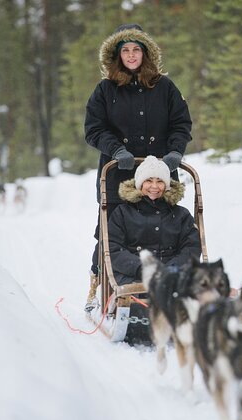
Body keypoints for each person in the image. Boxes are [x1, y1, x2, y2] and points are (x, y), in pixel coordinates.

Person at [84, 24, 192, 303]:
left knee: (166, 228)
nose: (131, 55)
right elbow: (93, 129)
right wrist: (116, 150)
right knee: (112, 231)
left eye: (136, 49)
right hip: (118, 173)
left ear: (146, 53)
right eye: (125, 50)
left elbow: (181, 124)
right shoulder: (105, 90)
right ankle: (103, 284)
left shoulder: (165, 87)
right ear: (117, 55)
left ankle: (169, 282)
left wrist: (175, 153)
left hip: (160, 173)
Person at [107, 155, 201, 288]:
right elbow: (113, 249)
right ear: (140, 184)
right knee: (137, 305)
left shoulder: (181, 215)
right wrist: (143, 268)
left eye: (160, 181)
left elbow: (192, 248)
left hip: (174, 275)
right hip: (133, 276)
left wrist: (170, 270)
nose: (154, 186)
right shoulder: (122, 213)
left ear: (167, 185)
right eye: (149, 181)